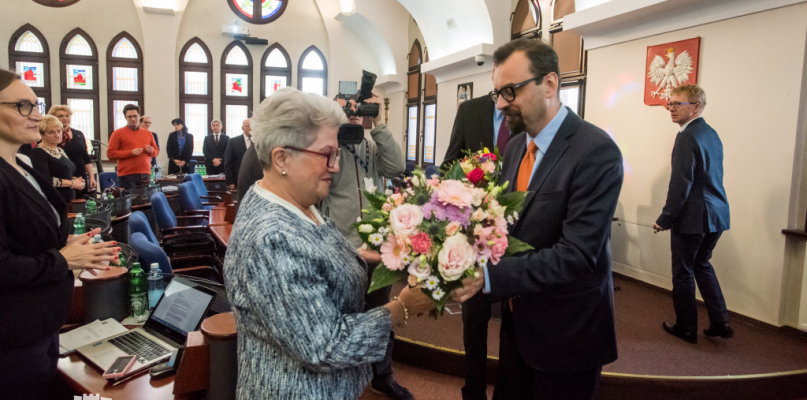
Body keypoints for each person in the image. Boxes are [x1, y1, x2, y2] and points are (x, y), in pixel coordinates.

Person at [223, 87, 434, 399]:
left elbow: (310, 258)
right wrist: (403, 307)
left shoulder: (294, 202)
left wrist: (358, 254)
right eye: (327, 154)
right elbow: (326, 346)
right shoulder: (272, 240)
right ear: (282, 158)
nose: (335, 166)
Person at [450, 38, 623, 400]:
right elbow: (510, 228)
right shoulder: (516, 147)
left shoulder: (595, 151)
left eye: (510, 91)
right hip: (519, 325)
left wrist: (487, 277)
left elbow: (576, 256)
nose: (500, 104)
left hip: (567, 334)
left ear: (549, 84)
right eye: (497, 93)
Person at [0, 68, 118, 400]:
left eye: (36, 105)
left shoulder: (22, 165)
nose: (36, 115)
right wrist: (63, 259)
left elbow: (25, 237)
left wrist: (69, 246)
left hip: (41, 326)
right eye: (23, 106)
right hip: (12, 338)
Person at [320, 94, 410, 399]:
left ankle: (382, 376)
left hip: (375, 246)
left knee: (380, 312)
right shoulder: (328, 147)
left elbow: (396, 167)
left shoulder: (370, 146)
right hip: (341, 247)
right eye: (346, 108)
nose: (353, 113)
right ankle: (344, 380)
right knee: (343, 315)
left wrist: (379, 124)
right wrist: (334, 130)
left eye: (357, 108)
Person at [442, 93, 510, 400]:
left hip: (520, 232)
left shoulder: (526, 110)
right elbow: (449, 165)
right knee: (474, 319)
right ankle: (473, 391)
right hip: (476, 231)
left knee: (515, 323)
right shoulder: (470, 110)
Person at [653, 84, 732, 344]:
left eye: (677, 103)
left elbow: (681, 183)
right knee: (702, 264)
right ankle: (720, 322)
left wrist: (665, 218)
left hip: (693, 218)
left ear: (695, 107)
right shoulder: (711, 133)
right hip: (717, 214)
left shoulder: (687, 136)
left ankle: (686, 328)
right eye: (670, 103)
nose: (670, 108)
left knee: (683, 271)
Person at [31, 115, 84, 203]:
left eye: (59, 131)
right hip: (53, 200)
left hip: (68, 199)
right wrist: (72, 183)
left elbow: (62, 173)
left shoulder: (60, 150)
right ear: (41, 134)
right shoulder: (38, 152)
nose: (57, 135)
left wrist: (75, 180)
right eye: (51, 132)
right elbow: (44, 180)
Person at [107, 104, 159, 189]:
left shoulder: (148, 133)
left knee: (145, 198)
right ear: (125, 117)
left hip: (145, 174)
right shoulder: (118, 133)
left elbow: (156, 151)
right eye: (130, 117)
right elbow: (110, 154)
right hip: (127, 175)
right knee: (131, 197)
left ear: (139, 116)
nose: (133, 119)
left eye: (135, 116)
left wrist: (151, 151)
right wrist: (131, 153)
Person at [50, 105, 96, 196]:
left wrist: (91, 177)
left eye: (67, 116)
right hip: (61, 179)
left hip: (80, 177)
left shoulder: (78, 134)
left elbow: (86, 158)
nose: (64, 118)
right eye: (60, 116)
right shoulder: (50, 136)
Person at [224, 118, 251, 197]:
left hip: (255, 180)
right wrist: (230, 182)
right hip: (238, 179)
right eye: (248, 126)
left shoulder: (258, 142)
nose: (251, 128)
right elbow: (228, 163)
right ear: (242, 128)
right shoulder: (233, 142)